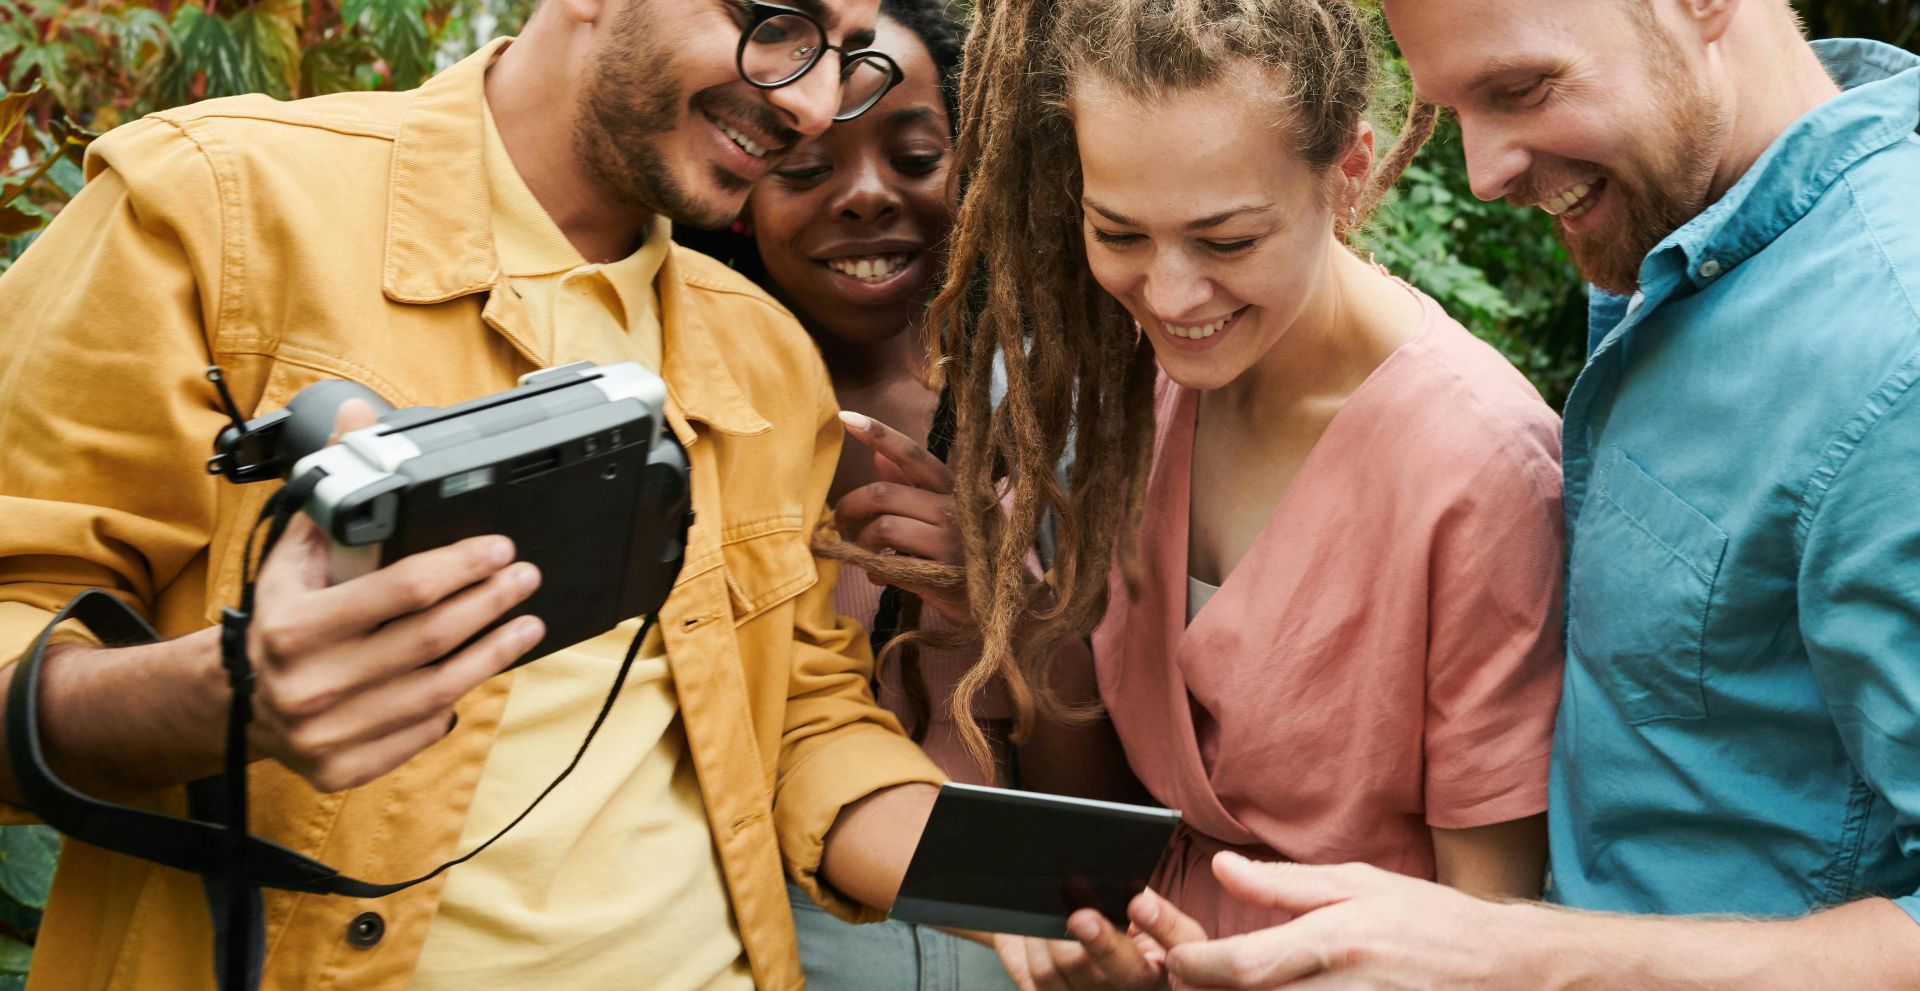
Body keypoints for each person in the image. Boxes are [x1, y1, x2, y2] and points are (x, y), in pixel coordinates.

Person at [0, 1, 955, 988]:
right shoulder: (217, 207)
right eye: (776, 19)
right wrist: (229, 694)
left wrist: (1035, 893)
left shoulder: (764, 358)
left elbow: (801, 711)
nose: (811, 101)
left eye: (844, 53)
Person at [1128, 1, 1920, 988]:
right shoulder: (1682, 231)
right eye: (1455, 110)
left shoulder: (1894, 351)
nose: (1484, 172)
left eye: (1521, 90)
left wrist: (1526, 954)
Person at [883, 0, 1568, 986]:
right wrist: (1016, 613)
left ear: (1350, 173)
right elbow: (1129, 799)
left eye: (1229, 242)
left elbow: (1485, 935)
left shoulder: (1482, 472)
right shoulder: (1136, 382)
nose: (1168, 294)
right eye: (1118, 231)